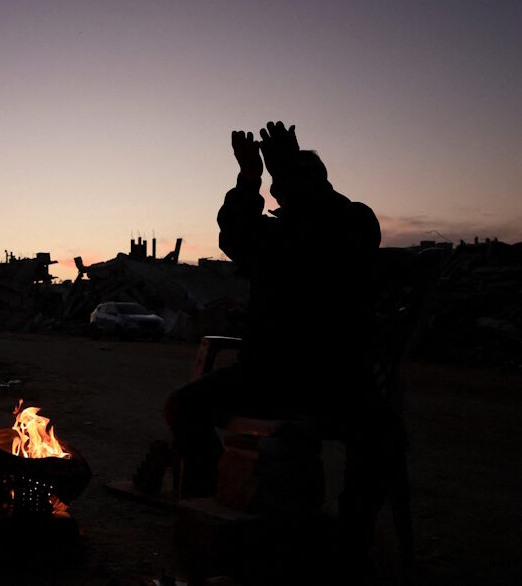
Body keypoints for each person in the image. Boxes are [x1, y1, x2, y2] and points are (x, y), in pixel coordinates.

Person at [163, 121, 402, 574]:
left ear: (315, 184)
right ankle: (220, 502)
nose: (279, 190)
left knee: (382, 435)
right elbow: (233, 234)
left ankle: (349, 547)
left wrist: (291, 176)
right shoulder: (272, 237)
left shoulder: (349, 222)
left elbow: (341, 235)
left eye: (285, 179)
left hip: (335, 380)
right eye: (278, 181)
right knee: (183, 406)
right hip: (267, 376)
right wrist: (248, 178)